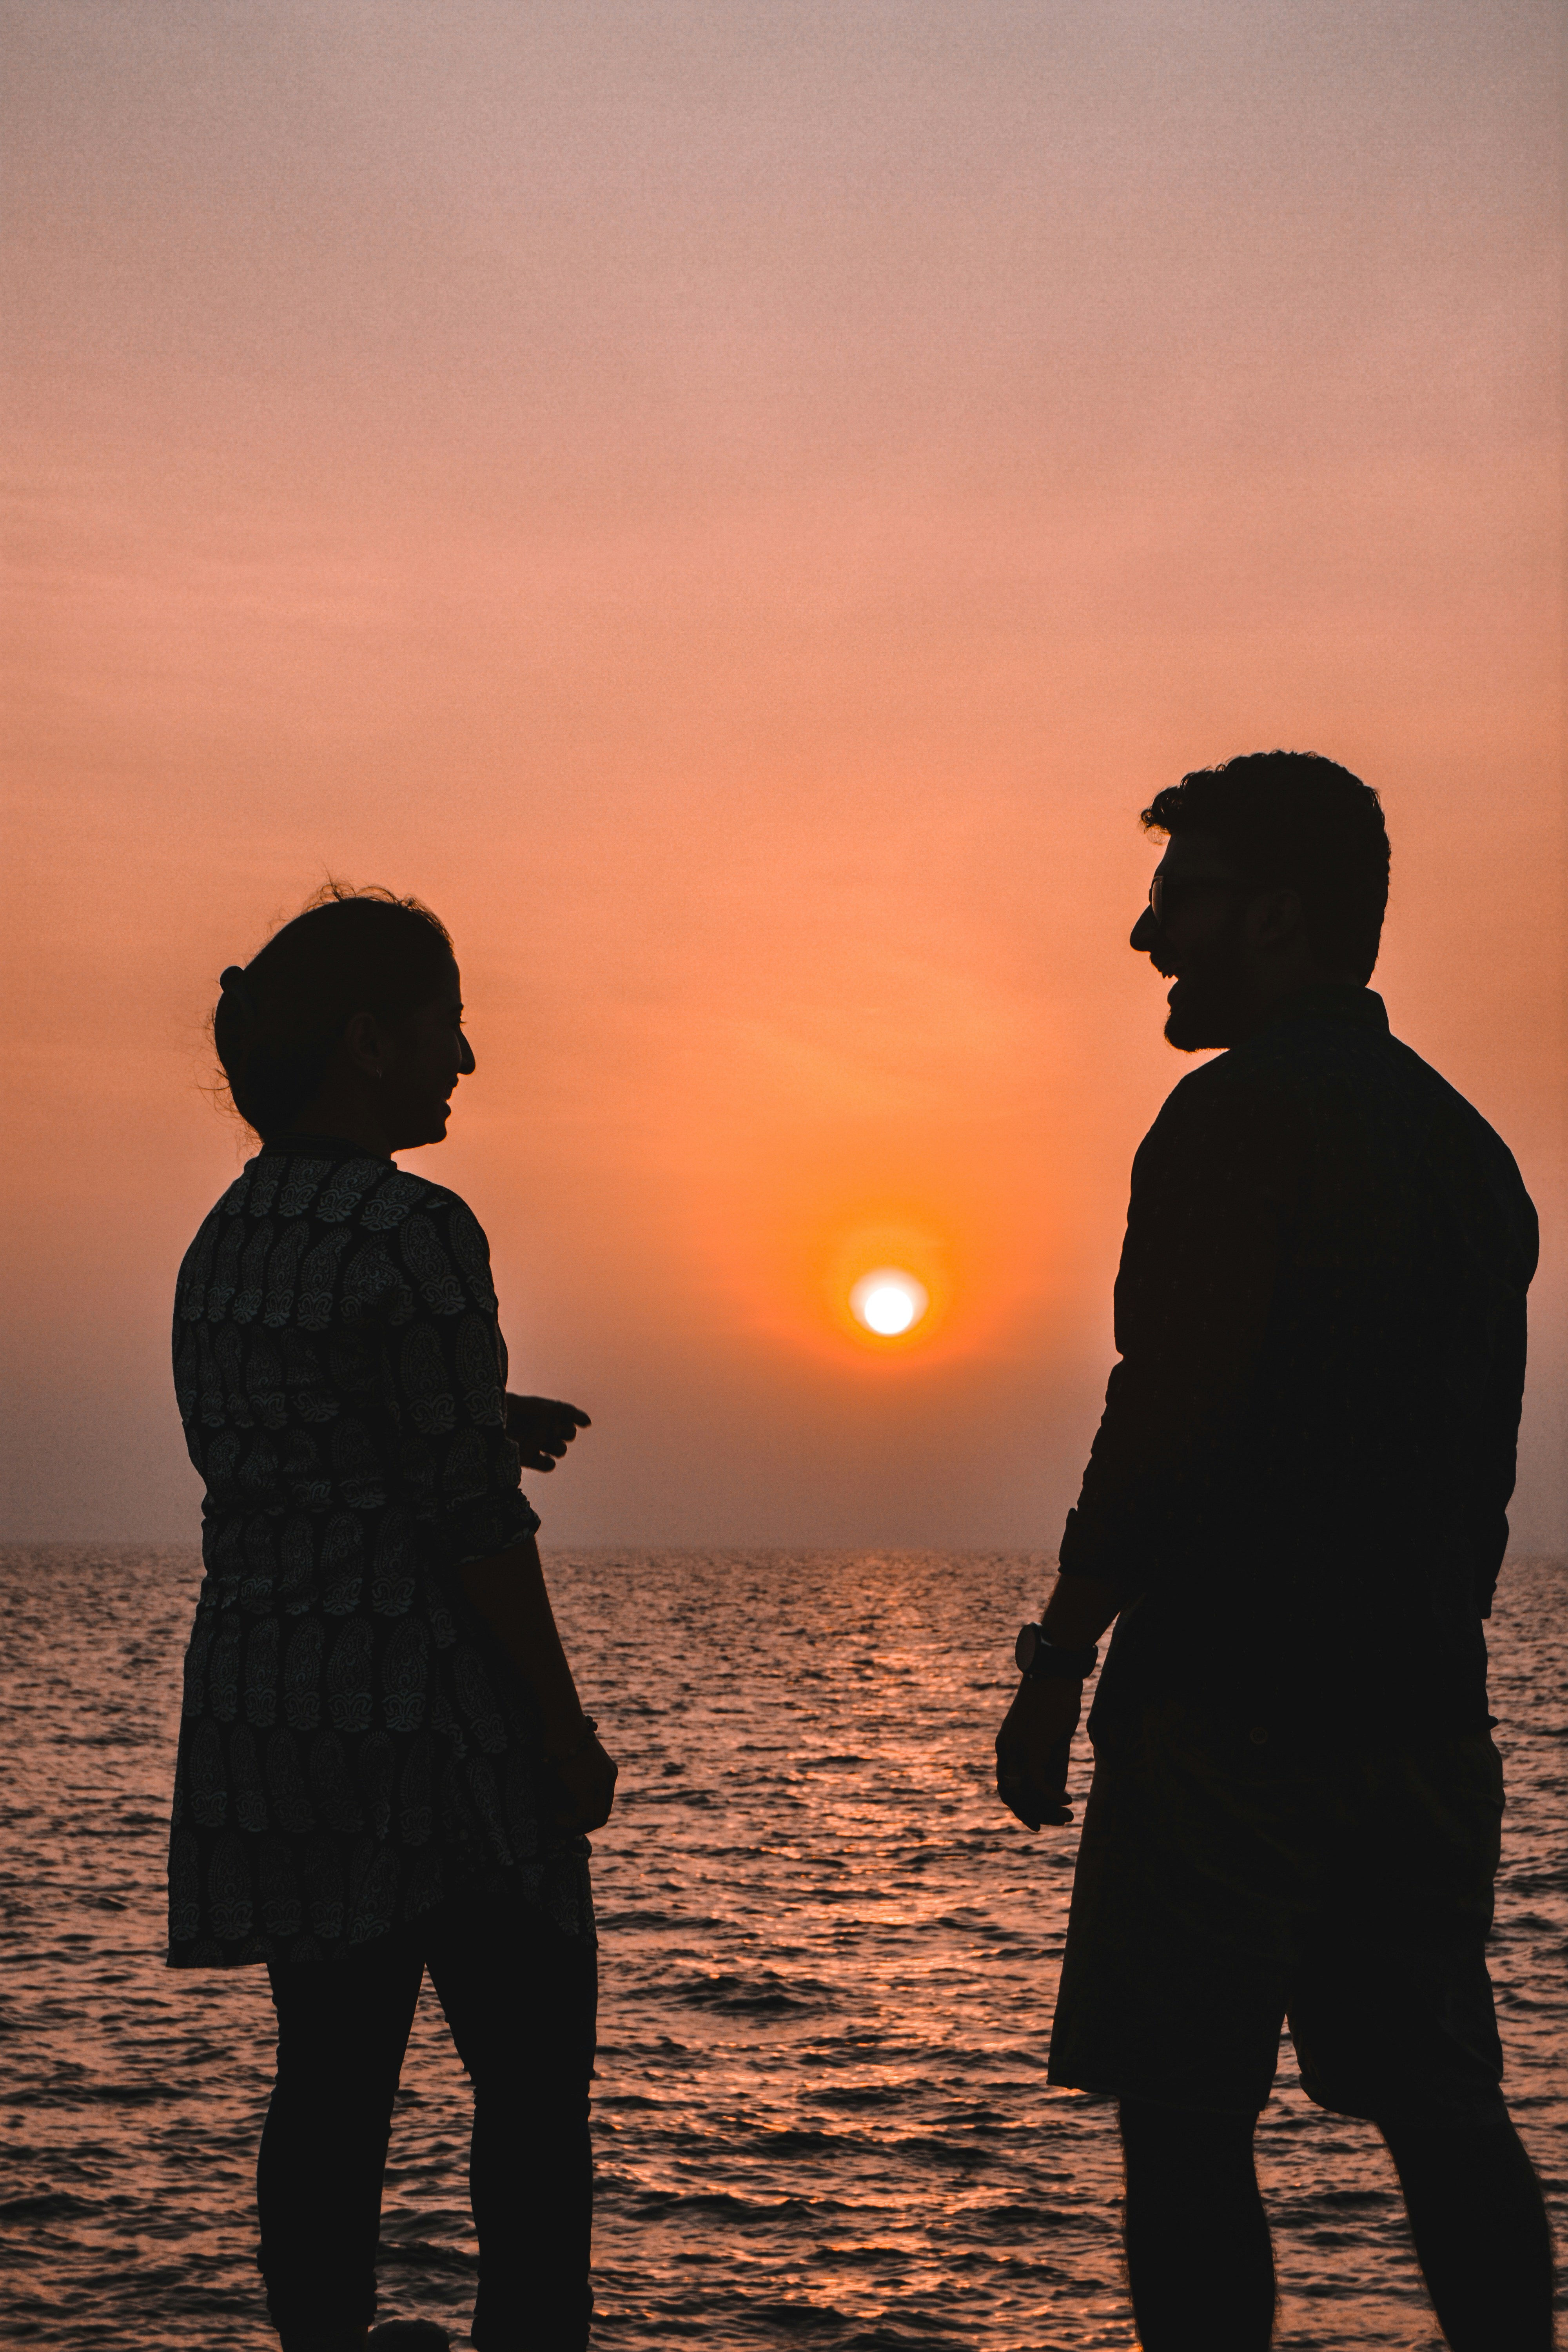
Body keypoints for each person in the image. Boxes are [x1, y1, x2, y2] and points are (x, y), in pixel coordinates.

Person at [993, 754, 1555, 2352]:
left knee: (1184, 2120)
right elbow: (1476, 1479)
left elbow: (1162, 1417)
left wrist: (1055, 1660)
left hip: (1227, 1717)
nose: (1146, 933)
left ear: (1279, 915)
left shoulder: (1229, 1117)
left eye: (1181, 897)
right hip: (1422, 1717)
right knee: (1444, 2107)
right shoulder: (1470, 1154)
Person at [169, 883, 616, 2352]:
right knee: (536, 2098)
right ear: (369, 1041)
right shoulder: (419, 1228)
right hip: (433, 1731)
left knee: (330, 2089)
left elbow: (314, 1438)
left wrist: (480, 1415)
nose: (466, 1059)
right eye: (448, 1023)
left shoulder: (223, 1241)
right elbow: (468, 1529)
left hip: (273, 1717)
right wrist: (562, 1734)